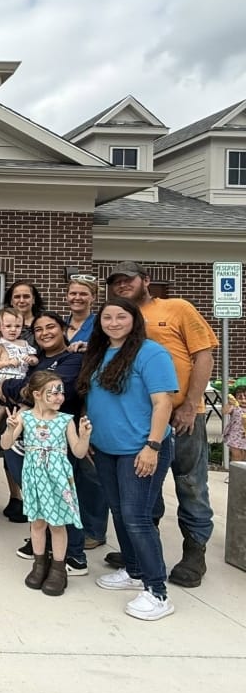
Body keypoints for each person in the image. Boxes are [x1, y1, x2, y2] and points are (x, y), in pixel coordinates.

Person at [106, 261, 218, 588]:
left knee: (190, 482)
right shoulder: (120, 318)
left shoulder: (177, 308)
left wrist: (189, 405)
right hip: (141, 418)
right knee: (144, 485)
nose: (122, 285)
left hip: (182, 414)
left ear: (146, 280)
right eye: (117, 281)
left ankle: (194, 552)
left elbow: (204, 355)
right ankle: (143, 550)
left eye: (128, 279)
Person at [77, 297, 179, 621]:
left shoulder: (151, 353)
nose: (114, 323)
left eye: (121, 317)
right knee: (120, 513)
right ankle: (134, 571)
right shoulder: (98, 353)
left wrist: (152, 446)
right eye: (107, 317)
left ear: (134, 319)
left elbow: (163, 403)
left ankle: (157, 591)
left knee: (137, 517)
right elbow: (93, 397)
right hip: (106, 449)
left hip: (140, 448)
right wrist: (88, 436)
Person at [0, 310, 104, 571]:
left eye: (51, 327)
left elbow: (44, 390)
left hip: (58, 442)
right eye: (38, 329)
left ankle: (74, 555)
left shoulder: (72, 359)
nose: (45, 333)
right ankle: (44, 545)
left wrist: (11, 388)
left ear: (63, 329)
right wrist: (14, 389)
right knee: (38, 496)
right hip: (29, 440)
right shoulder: (35, 360)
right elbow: (17, 386)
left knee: (64, 499)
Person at [1, 372, 92, 596]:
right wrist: (10, 428)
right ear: (37, 394)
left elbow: (79, 452)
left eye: (61, 392)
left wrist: (84, 437)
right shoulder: (25, 417)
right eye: (53, 392)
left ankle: (58, 569)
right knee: (37, 523)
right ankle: (39, 564)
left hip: (57, 479)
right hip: (34, 478)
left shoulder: (65, 420)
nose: (60, 397)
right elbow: (5, 444)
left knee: (57, 524)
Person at [0, 307, 37, 443]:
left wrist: (32, 360)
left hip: (20, 380)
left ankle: (14, 434)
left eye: (17, 326)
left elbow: (35, 359)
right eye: (8, 326)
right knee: (13, 406)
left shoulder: (24, 344)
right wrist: (7, 362)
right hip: (4, 379)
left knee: (15, 407)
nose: (13, 330)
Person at [3, 280, 45, 344]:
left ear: (33, 299)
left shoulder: (43, 322)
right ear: (11, 301)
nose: (21, 301)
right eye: (17, 297)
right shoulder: (2, 323)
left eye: (26, 296)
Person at [65, 275, 99, 349]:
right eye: (73, 293)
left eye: (83, 294)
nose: (77, 298)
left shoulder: (99, 325)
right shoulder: (61, 325)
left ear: (93, 297)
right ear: (66, 296)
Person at [223, 384, 246, 466]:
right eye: (239, 397)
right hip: (235, 435)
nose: (243, 399)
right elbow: (225, 411)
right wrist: (230, 403)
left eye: (245, 396)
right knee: (236, 456)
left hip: (244, 434)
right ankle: (235, 472)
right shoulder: (234, 407)